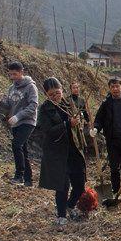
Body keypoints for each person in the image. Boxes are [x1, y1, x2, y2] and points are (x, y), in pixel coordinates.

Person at [36, 78, 87, 230]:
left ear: (62, 90)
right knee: (62, 185)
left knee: (80, 184)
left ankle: (70, 205)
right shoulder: (45, 110)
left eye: (58, 93)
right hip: (57, 152)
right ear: (46, 94)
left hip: (74, 149)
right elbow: (47, 131)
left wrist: (80, 121)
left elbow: (80, 121)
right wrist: (66, 124)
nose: (56, 96)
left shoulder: (69, 104)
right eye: (51, 95)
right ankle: (61, 215)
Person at [91, 77, 121, 205]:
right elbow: (99, 118)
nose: (115, 89)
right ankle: (115, 190)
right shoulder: (106, 103)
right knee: (114, 167)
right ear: (109, 88)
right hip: (112, 140)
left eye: (117, 86)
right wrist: (95, 128)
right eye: (112, 87)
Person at [2, 61, 38, 187]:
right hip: (15, 123)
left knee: (16, 145)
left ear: (21, 72)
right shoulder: (11, 88)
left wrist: (18, 116)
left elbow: (33, 106)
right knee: (23, 149)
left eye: (15, 74)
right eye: (10, 74)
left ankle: (19, 175)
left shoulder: (30, 87)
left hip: (28, 121)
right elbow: (8, 105)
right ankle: (28, 180)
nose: (12, 77)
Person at [68, 82, 91, 151]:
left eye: (77, 88)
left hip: (81, 122)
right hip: (72, 122)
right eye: (74, 88)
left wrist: (89, 121)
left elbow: (85, 112)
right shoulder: (68, 100)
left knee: (81, 135)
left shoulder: (82, 100)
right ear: (71, 89)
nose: (76, 89)